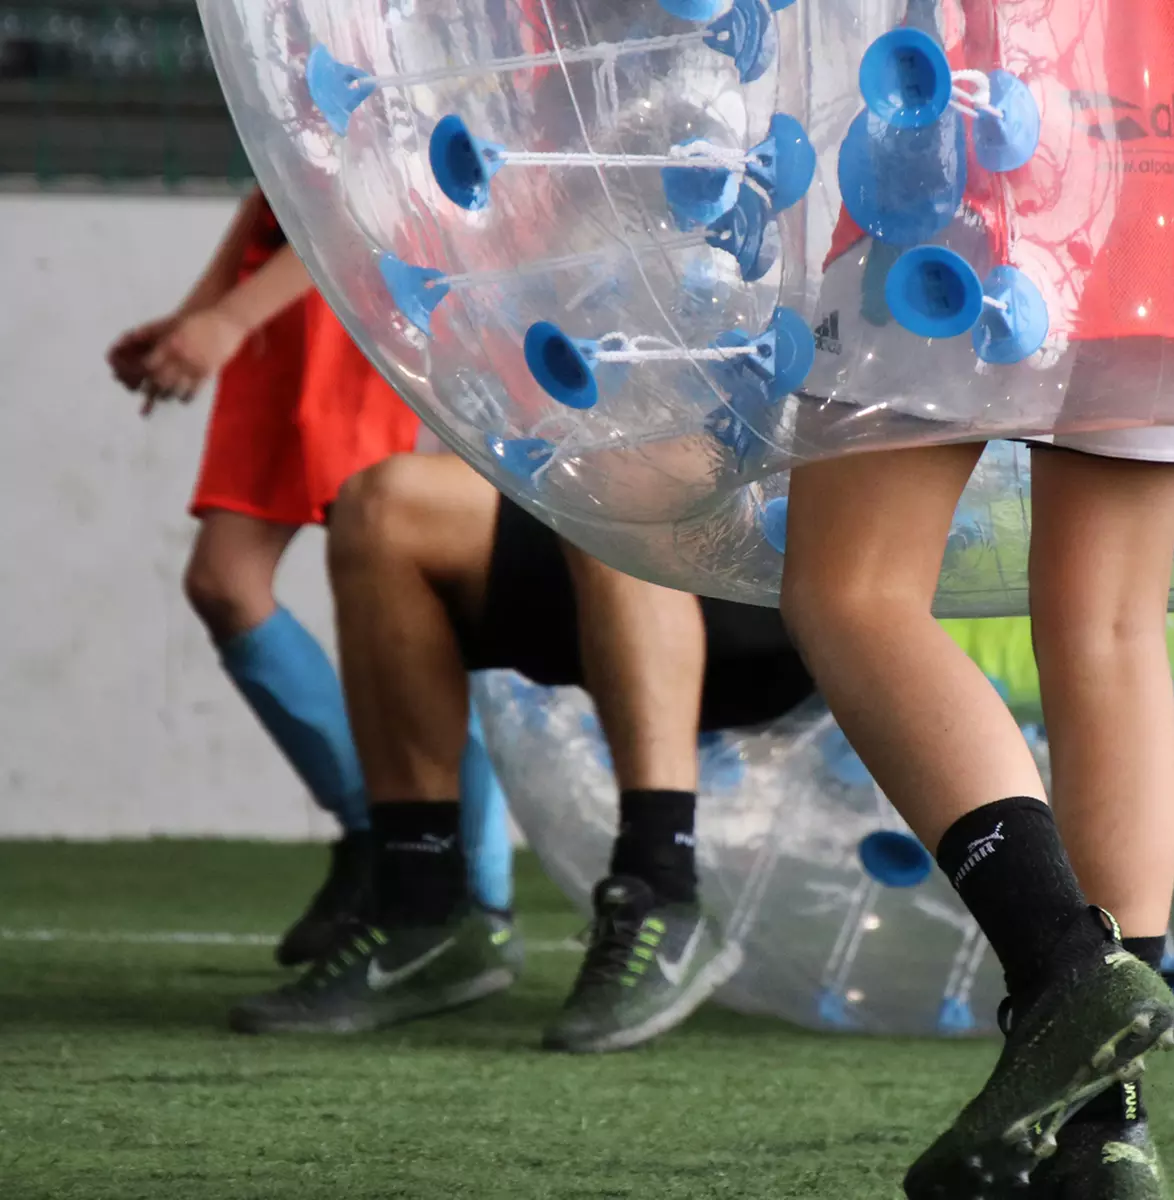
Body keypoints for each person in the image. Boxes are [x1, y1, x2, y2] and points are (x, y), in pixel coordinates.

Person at [777, 8, 1174, 1196]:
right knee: (1110, 624)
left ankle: (1062, 961)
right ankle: (1106, 1130)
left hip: (984, 126)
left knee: (853, 590)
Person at [227, 453, 817, 1052]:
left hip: (785, 572)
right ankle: (420, 901)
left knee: (623, 474)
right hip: (601, 540)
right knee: (381, 505)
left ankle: (659, 886)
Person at [106, 190, 514, 965]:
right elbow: (279, 181)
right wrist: (201, 314)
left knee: (418, 599)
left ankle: (479, 892)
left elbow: (372, 199)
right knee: (224, 581)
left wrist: (227, 319)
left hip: (368, 299)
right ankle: (376, 836)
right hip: (286, 314)